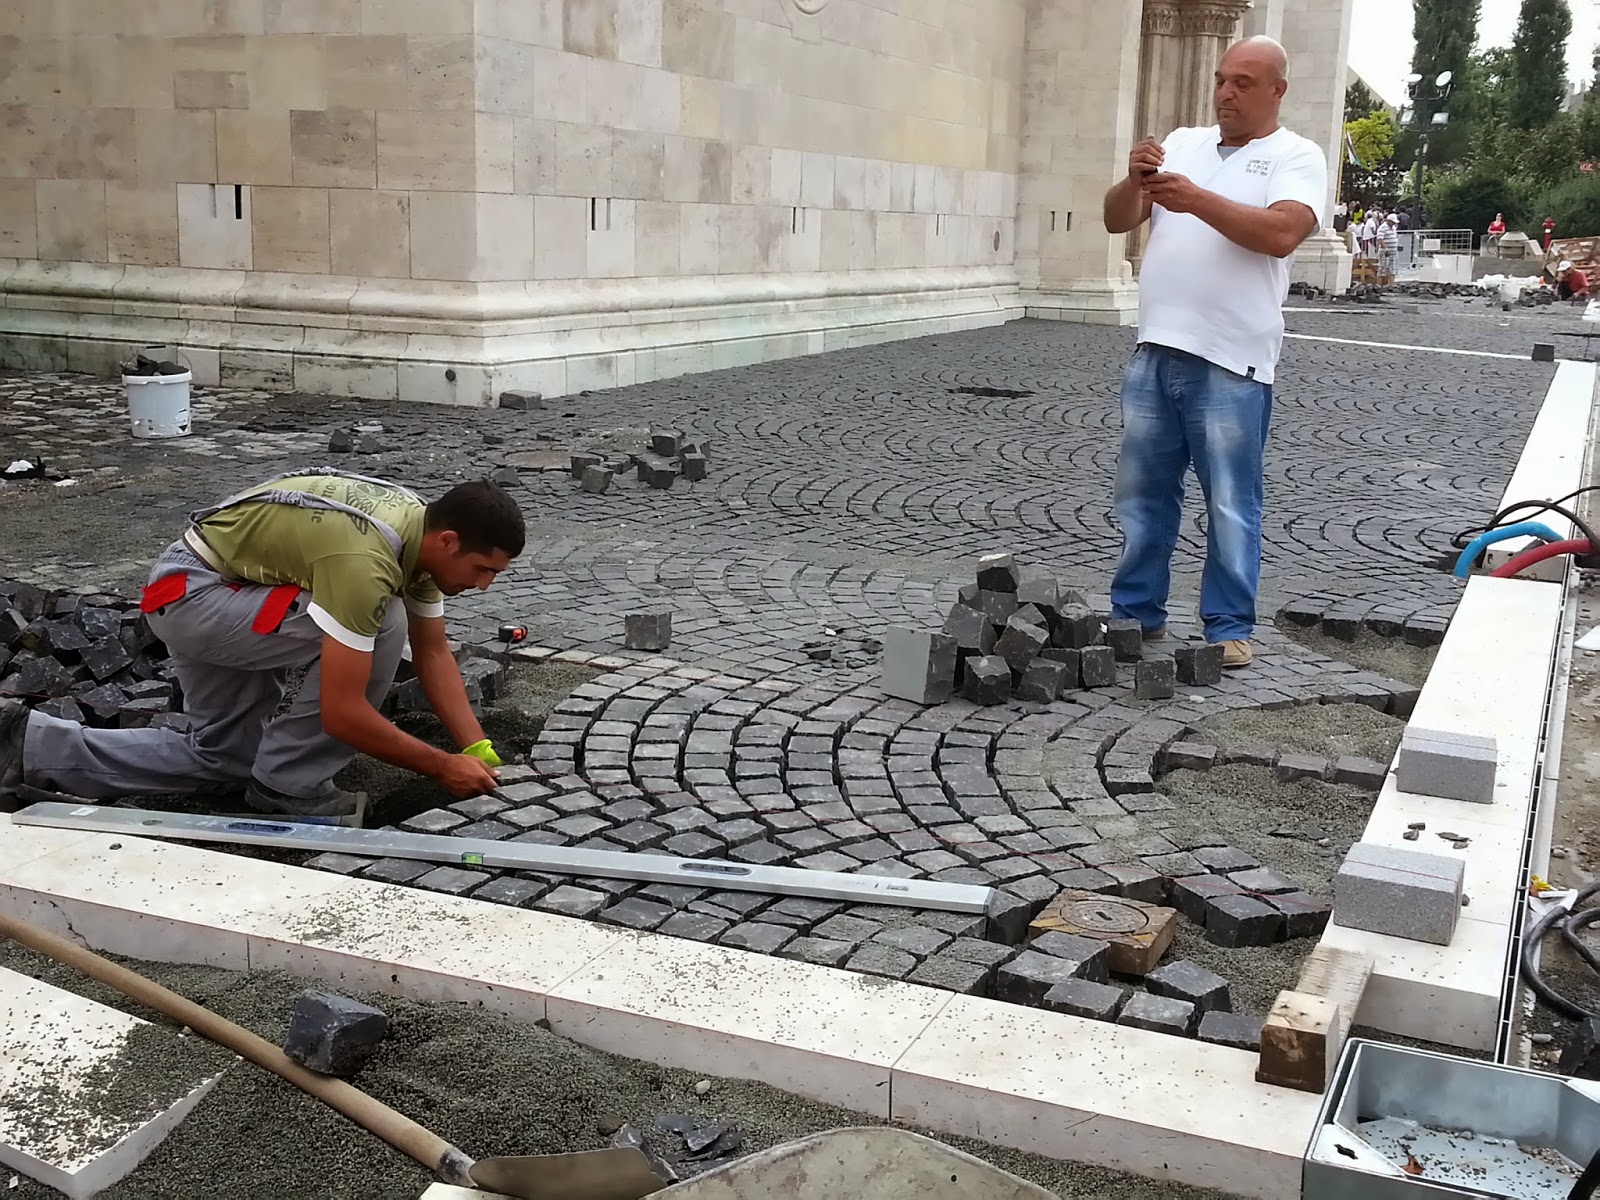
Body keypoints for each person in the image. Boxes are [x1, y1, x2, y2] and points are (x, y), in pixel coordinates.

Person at [0, 471, 526, 824]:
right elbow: (343, 713)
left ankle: (31, 745)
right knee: (383, 619)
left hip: (230, 591)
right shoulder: (367, 562)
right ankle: (292, 787)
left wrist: (476, 750)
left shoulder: (422, 534)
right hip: (195, 594)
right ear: (449, 541)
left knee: (230, 759)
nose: (485, 586)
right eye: (483, 570)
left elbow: (432, 652)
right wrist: (440, 766)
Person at [1101, 36, 1327, 671]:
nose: (1226, 93)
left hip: (1233, 359)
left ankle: (1228, 626)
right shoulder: (1183, 141)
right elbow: (1117, 219)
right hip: (1155, 348)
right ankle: (1134, 613)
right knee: (1141, 495)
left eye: (1243, 83)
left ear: (1277, 90)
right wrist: (1135, 179)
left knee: (1230, 500)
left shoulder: (1296, 155)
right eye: (1222, 80)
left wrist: (1194, 198)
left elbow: (1283, 233)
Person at [1378, 212, 1401, 279]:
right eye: (1393, 222)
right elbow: (1380, 239)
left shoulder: (1393, 227)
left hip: (1393, 251)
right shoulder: (1383, 227)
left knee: (1393, 270)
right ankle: (1381, 283)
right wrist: (1385, 248)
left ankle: (1391, 283)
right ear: (1389, 221)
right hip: (1385, 252)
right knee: (1383, 269)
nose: (1394, 223)